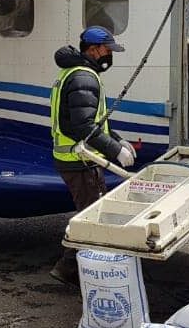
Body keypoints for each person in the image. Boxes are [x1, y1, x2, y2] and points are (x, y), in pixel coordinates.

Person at [48, 26, 137, 285]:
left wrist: (118, 140)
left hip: (77, 159)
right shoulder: (83, 77)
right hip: (80, 161)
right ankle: (71, 269)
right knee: (91, 218)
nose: (109, 55)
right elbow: (83, 127)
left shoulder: (74, 73)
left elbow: (96, 123)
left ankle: (76, 267)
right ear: (93, 49)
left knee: (89, 214)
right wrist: (114, 150)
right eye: (107, 50)